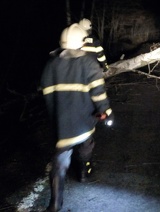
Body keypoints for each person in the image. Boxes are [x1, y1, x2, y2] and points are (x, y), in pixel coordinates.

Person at [40, 23, 113, 212]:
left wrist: (55, 118)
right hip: (84, 121)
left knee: (60, 162)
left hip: (62, 126)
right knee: (85, 146)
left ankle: (55, 203)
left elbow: (47, 94)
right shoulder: (88, 63)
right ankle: (83, 173)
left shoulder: (51, 64)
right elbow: (98, 92)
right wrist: (105, 111)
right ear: (82, 42)